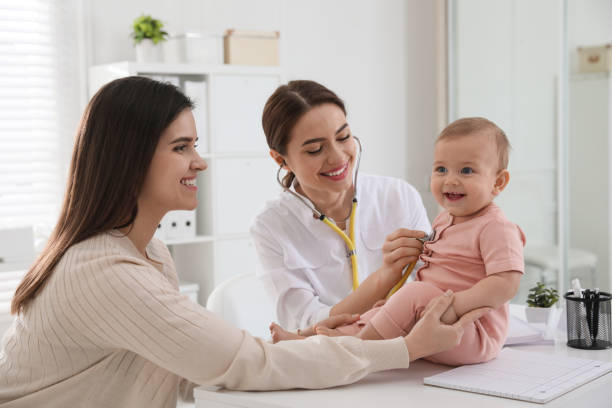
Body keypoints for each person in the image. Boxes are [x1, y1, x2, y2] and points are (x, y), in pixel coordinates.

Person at [0, 77, 489, 408]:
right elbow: (240, 362)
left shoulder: (148, 252)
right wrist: (402, 348)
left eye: (194, 145)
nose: (200, 162)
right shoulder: (105, 273)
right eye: (181, 148)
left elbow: (202, 355)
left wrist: (318, 341)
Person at [270, 117, 525, 366]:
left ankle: (355, 351)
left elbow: (506, 284)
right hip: (432, 324)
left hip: (470, 331)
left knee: (412, 293)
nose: (450, 180)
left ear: (498, 182)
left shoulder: (496, 227)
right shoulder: (445, 219)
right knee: (379, 309)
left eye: (466, 170)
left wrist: (452, 307)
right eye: (441, 169)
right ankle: (306, 341)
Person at [251, 80, 431, 331]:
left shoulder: (398, 196)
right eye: (315, 149)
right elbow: (307, 324)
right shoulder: (271, 226)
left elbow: (436, 281)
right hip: (331, 360)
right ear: (281, 159)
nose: (337, 157)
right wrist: (384, 277)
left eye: (343, 137)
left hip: (410, 347)